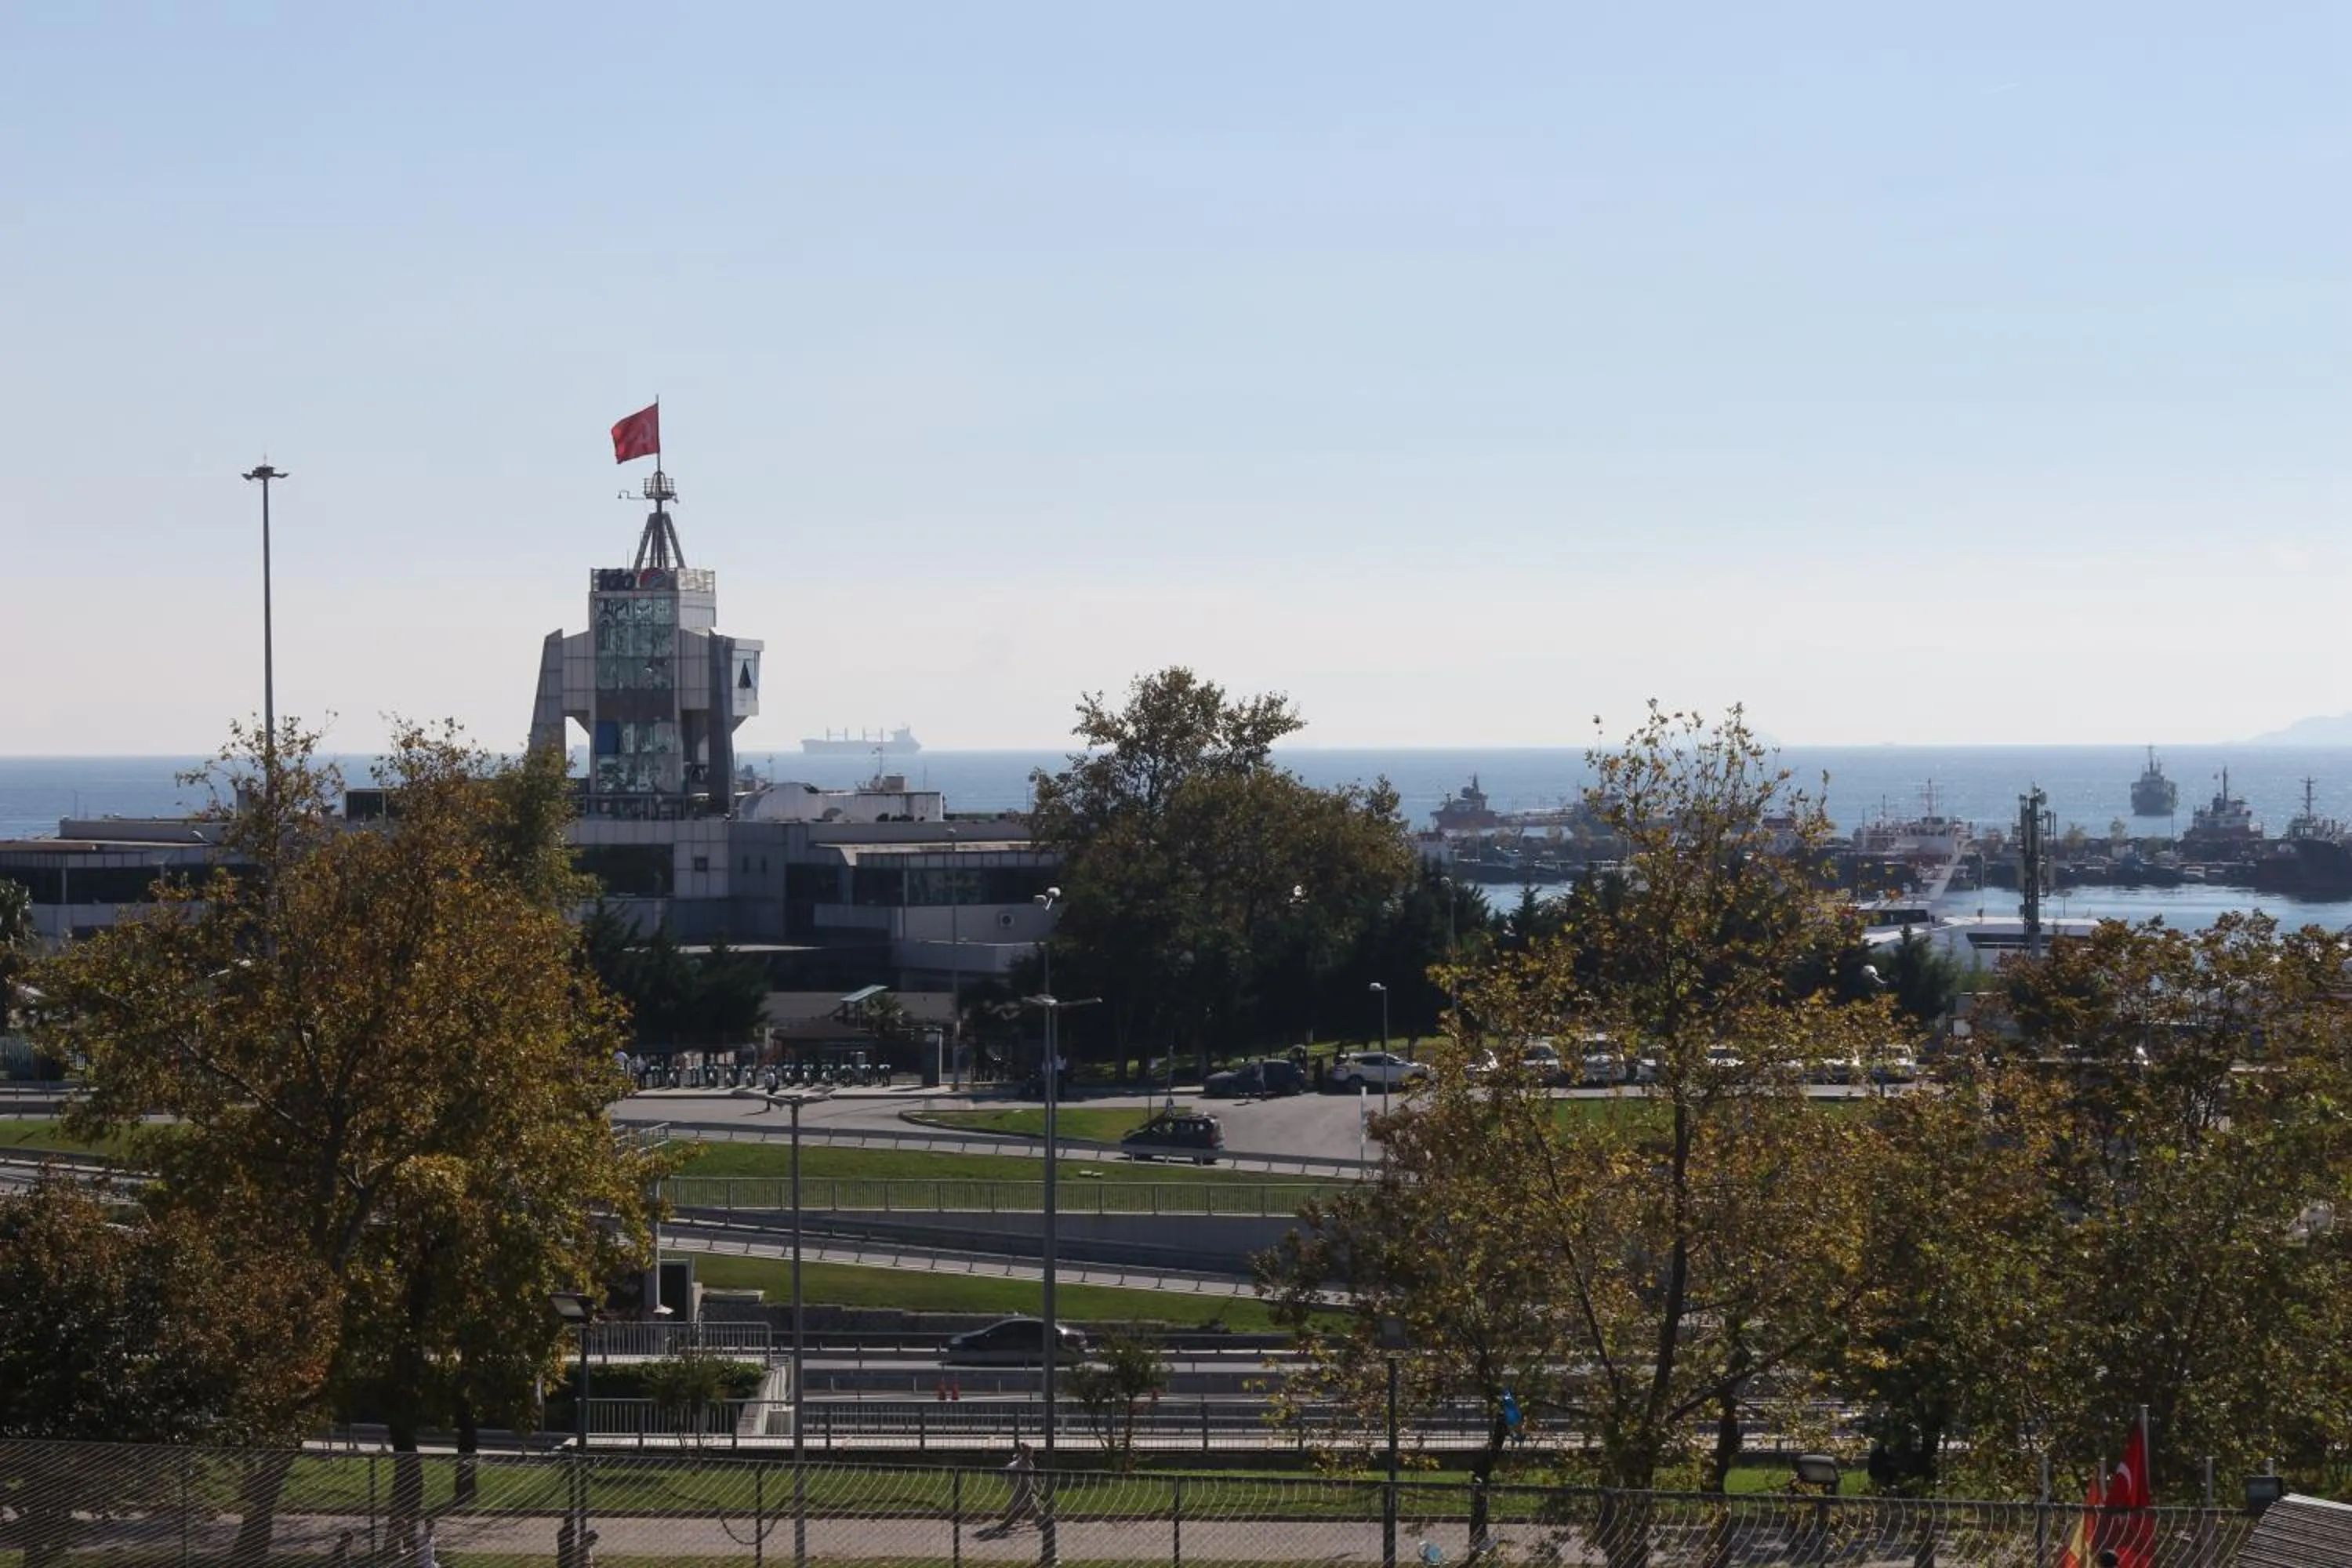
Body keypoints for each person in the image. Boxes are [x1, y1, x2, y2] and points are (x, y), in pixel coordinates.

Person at [993, 1439, 1040, 1533]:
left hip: (1018, 1479)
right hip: (1013, 1477)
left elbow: (1034, 1477)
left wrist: (1038, 1488)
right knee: (1024, 1500)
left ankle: (1039, 1520)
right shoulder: (1021, 1464)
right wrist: (1037, 1492)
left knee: (1023, 1501)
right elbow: (1027, 1484)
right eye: (1031, 1452)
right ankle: (1039, 1520)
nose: (1032, 1454)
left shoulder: (1029, 1462)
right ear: (1027, 1453)